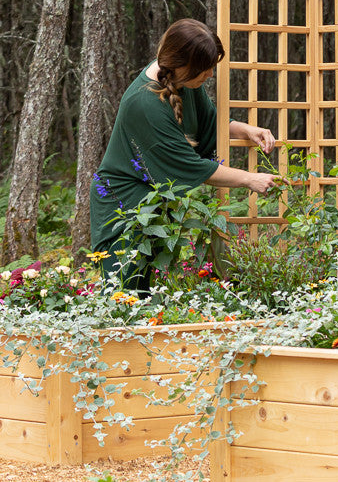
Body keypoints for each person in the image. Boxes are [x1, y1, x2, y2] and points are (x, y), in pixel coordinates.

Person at [90, 18, 277, 285]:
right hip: (123, 206)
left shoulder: (182, 82)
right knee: (127, 294)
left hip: (153, 202)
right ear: (180, 64)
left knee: (155, 294)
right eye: (204, 69)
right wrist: (250, 179)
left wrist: (246, 130)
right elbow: (190, 165)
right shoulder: (144, 103)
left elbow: (209, 122)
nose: (210, 75)